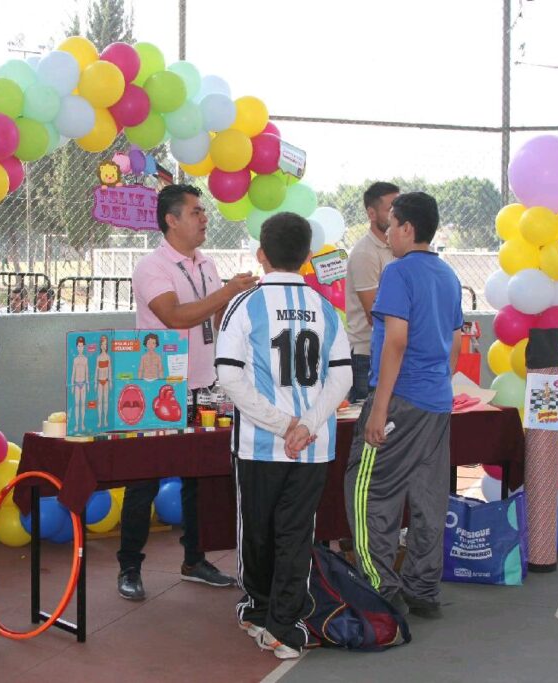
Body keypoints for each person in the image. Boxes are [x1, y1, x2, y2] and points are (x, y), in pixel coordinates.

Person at [216, 212, 352, 659]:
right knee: (296, 534)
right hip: (312, 447)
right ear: (309, 256)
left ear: (260, 255)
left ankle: (261, 612)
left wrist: (284, 426)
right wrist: (307, 425)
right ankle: (284, 628)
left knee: (256, 530)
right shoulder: (325, 307)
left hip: (261, 444)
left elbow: (230, 378)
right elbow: (343, 378)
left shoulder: (244, 304)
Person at [119, 183, 258, 601]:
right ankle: (129, 566)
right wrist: (228, 291)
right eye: (196, 212)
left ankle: (194, 559)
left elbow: (214, 316)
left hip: (204, 384)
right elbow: (175, 316)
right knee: (143, 479)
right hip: (159, 386)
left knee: (200, 478)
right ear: (171, 220)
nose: (204, 219)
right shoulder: (151, 267)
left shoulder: (206, 264)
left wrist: (232, 360)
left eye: (204, 212)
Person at [344, 192, 463, 619]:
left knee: (369, 490)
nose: (389, 232)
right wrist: (436, 386)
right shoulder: (447, 275)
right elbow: (454, 346)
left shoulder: (398, 273)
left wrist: (380, 407)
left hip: (400, 400)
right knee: (429, 495)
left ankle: (380, 588)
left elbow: (395, 339)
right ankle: (423, 588)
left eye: (392, 225)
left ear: (408, 229)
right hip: (436, 403)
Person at [344, 182, 400, 402]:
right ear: (371, 213)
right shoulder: (365, 253)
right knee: (367, 427)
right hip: (367, 356)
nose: (397, 215)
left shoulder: (399, 248)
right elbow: (374, 314)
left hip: (392, 352)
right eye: (391, 209)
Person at [71, 335, 90, 432]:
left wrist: (87, 384)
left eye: (82, 346)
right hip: (77, 384)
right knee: (77, 404)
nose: (80, 348)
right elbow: (73, 373)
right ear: (76, 347)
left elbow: (87, 373)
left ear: (84, 347)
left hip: (83, 383)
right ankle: (77, 424)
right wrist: (72, 385)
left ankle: (82, 423)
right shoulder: (75, 360)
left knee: (82, 404)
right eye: (79, 346)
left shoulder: (86, 359)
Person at [94, 334, 112, 429]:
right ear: (100, 346)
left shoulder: (108, 357)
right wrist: (95, 382)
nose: (104, 346)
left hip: (106, 380)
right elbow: (96, 370)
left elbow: (110, 370)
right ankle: (100, 420)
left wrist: (111, 381)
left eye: (106, 344)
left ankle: (105, 419)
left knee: (105, 401)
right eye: (103, 344)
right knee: (100, 401)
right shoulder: (98, 357)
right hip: (99, 380)